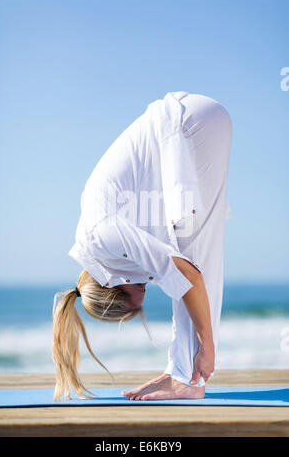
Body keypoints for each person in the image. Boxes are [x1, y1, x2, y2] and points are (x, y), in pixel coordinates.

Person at [52, 91, 233, 401]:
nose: (145, 294)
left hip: (185, 124)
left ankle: (187, 378)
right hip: (192, 122)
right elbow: (182, 277)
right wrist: (176, 365)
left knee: (190, 251)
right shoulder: (109, 251)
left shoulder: (102, 237)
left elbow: (189, 278)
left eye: (137, 301)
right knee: (187, 249)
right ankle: (181, 373)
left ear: (116, 287)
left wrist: (207, 347)